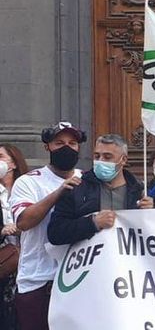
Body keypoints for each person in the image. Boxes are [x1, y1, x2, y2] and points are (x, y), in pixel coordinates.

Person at [10, 122, 85, 330]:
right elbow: (24, 222)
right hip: (39, 281)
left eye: (72, 143)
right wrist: (59, 192)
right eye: (59, 143)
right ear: (47, 147)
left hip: (78, 279)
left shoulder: (87, 180)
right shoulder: (29, 182)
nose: (66, 147)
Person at [48, 134, 154, 246]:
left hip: (129, 260)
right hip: (91, 260)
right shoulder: (76, 188)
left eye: (107, 157)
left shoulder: (140, 190)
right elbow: (55, 233)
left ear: (123, 160)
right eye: (97, 156)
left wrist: (152, 211)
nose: (100, 161)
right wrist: (93, 223)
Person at [0, 144, 28, 329]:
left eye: (1, 156)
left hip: (27, 261)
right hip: (4, 261)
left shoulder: (27, 188)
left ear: (14, 163)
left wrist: (21, 227)